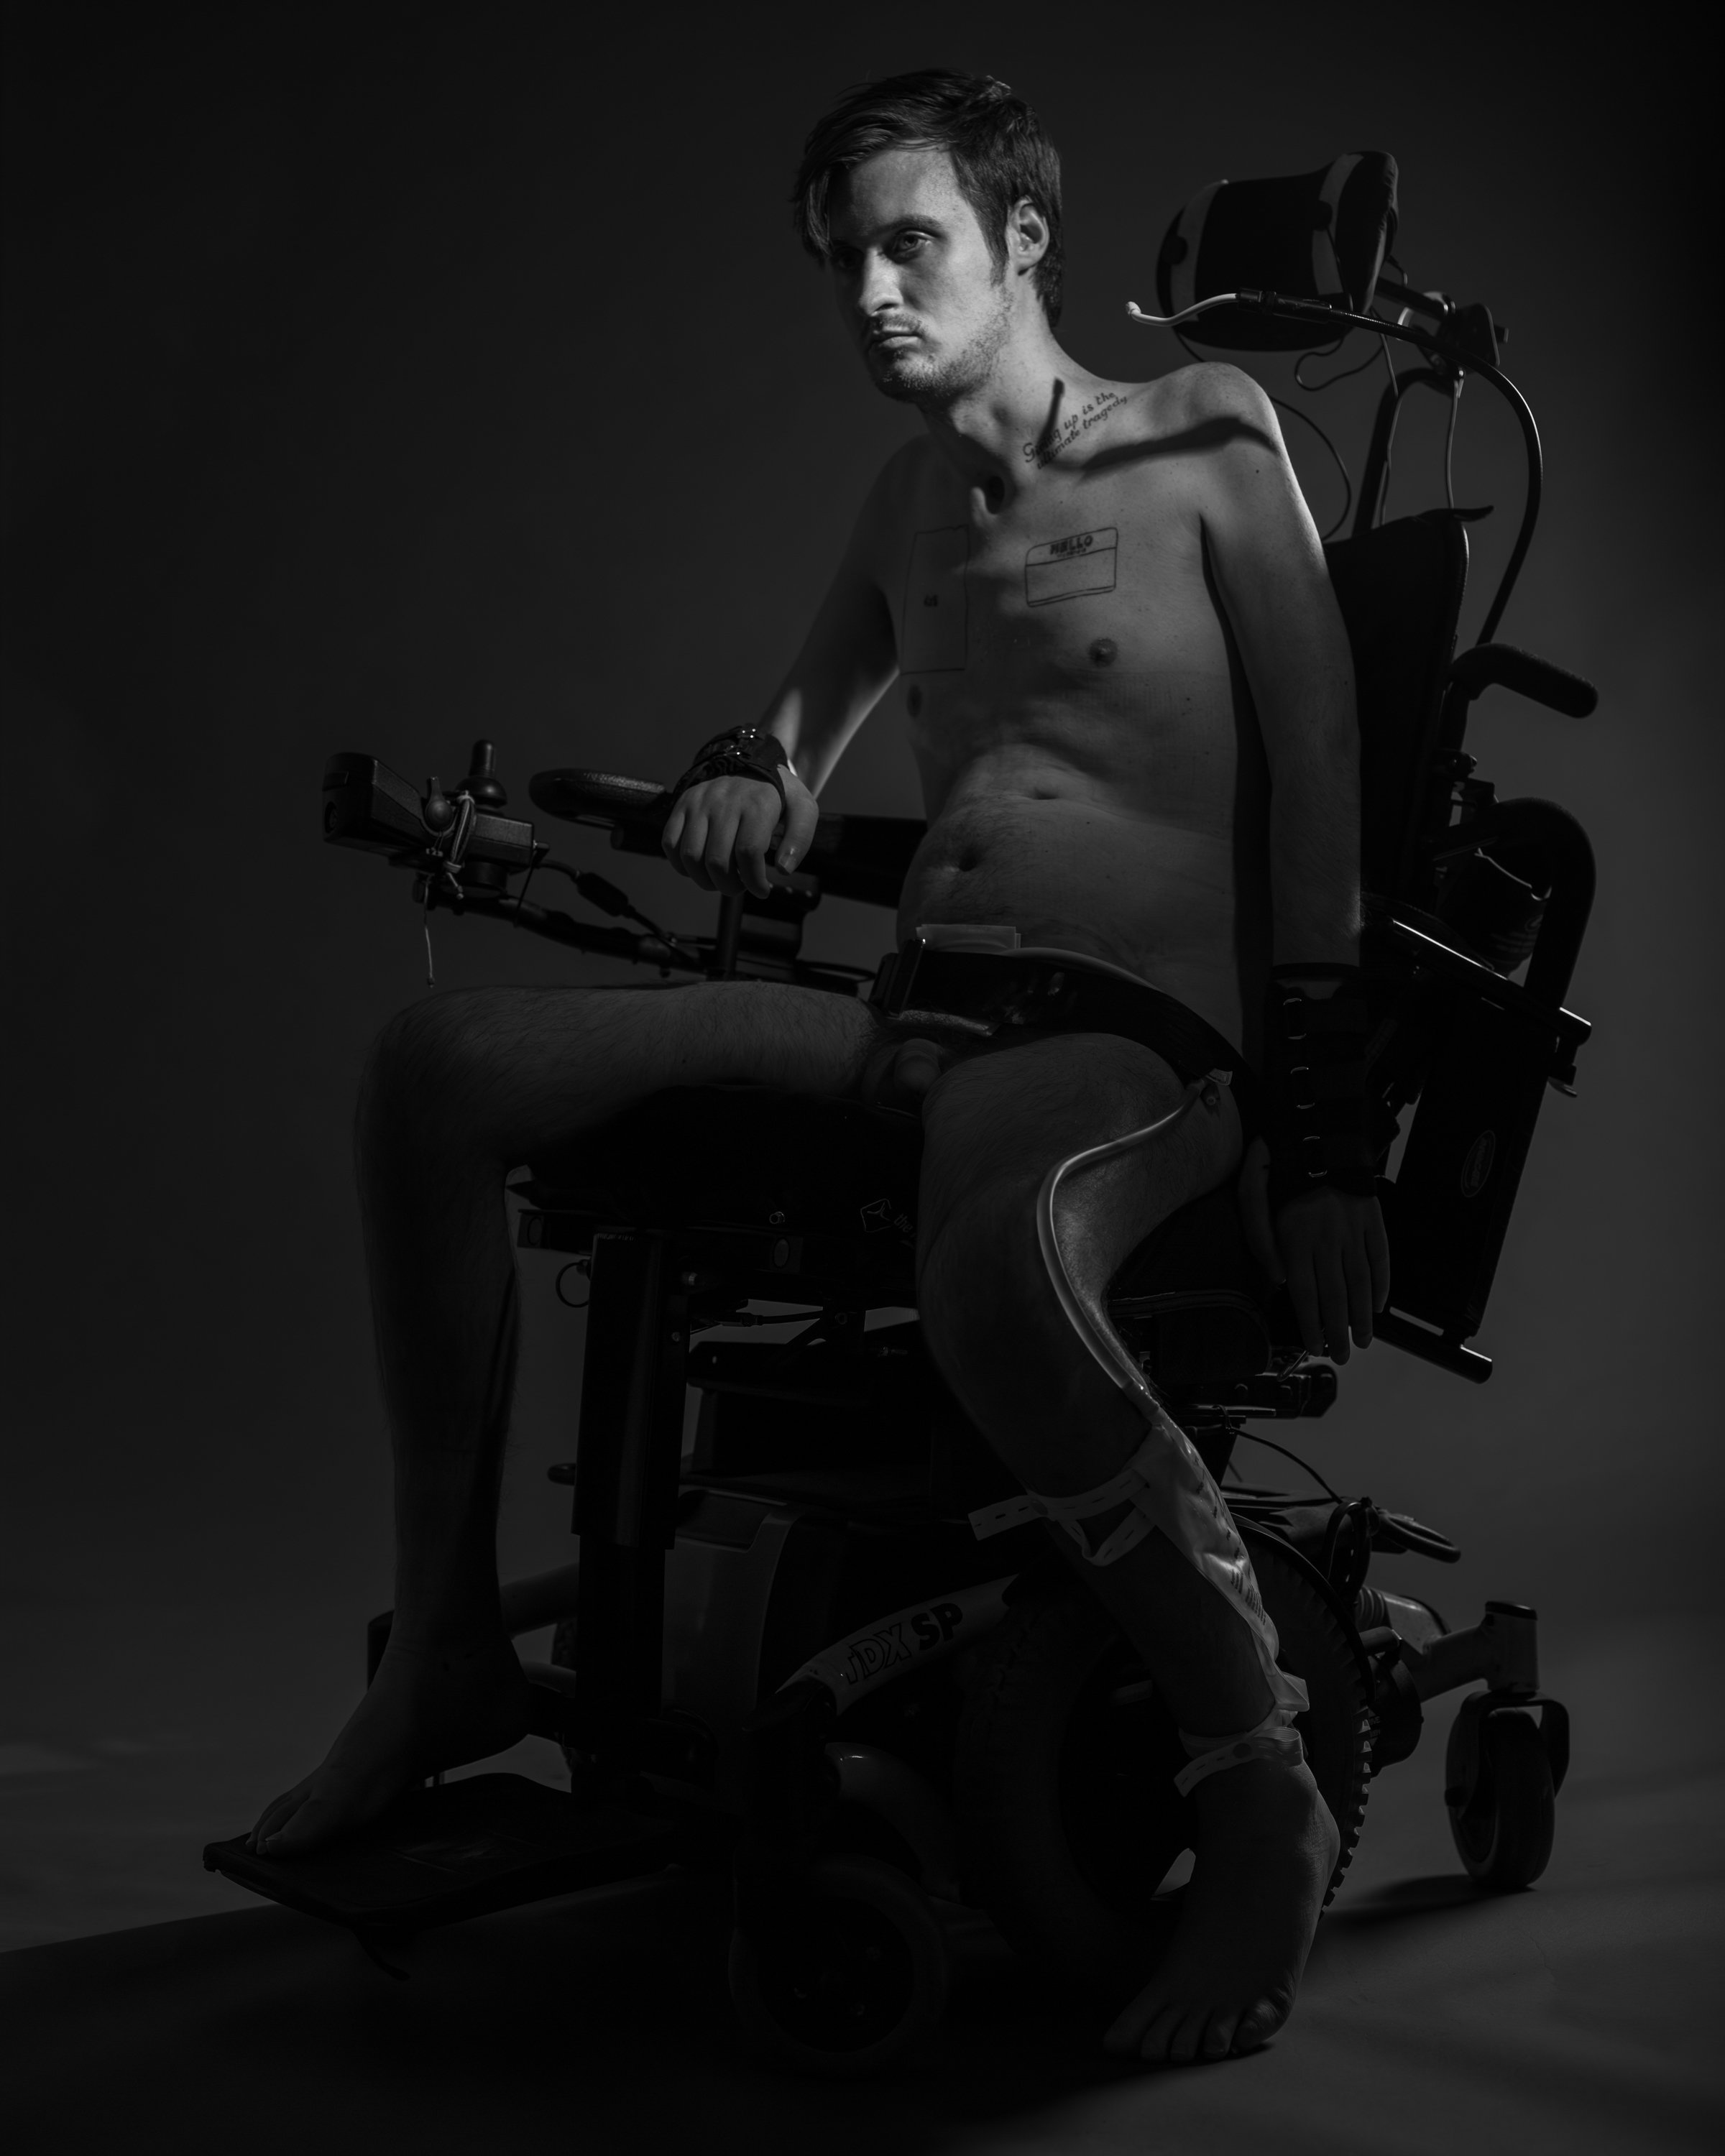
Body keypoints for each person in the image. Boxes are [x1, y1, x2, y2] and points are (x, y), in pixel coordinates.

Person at [249, 68, 1389, 2068]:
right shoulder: (906, 506)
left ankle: (1255, 1780)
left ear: (1021, 241)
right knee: (440, 1065)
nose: (869, 290)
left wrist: (1323, 1143)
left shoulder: (1214, 440)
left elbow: (1326, 817)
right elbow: (782, 744)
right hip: (913, 1016)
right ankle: (443, 1656)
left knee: (988, 1260)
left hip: (1130, 1034)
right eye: (842, 261)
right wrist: (743, 782)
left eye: (909, 242)